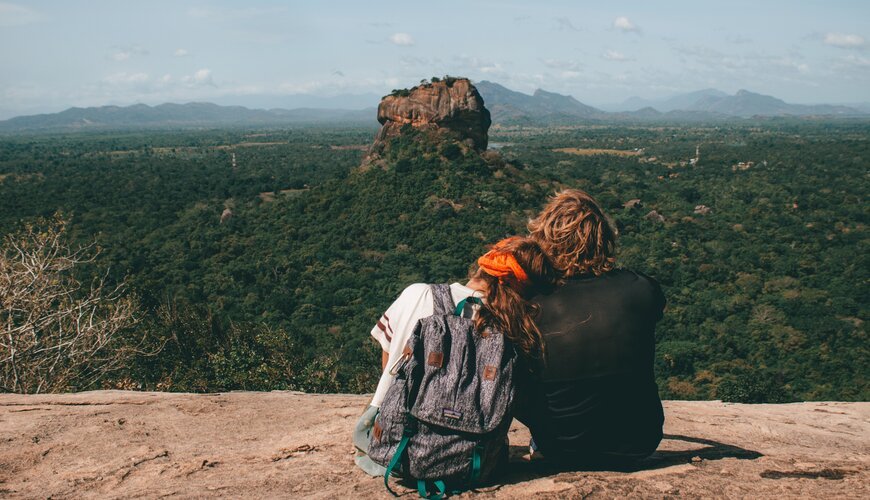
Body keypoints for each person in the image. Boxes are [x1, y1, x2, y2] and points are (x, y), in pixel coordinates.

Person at [353, 236, 557, 476]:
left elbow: (388, 363)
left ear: (482, 265)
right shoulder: (515, 328)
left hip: (391, 446)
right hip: (472, 456)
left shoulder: (417, 294)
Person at [517, 189, 666, 468]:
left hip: (559, 445)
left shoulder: (532, 303)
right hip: (639, 441)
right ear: (604, 238)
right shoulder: (642, 288)